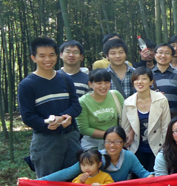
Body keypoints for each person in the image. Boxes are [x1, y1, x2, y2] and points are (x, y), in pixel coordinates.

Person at [18, 37, 82, 178]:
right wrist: (48, 124)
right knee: (48, 183)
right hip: (46, 141)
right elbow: (28, 116)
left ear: (57, 56)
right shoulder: (27, 85)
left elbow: (76, 106)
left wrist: (64, 117)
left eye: (51, 55)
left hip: (71, 138)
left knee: (76, 181)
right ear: (33, 58)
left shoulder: (65, 79)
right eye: (42, 56)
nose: (48, 59)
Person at [121, 67, 171, 171]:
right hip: (136, 149)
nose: (139, 82)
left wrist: (164, 149)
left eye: (144, 78)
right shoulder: (128, 102)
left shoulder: (161, 100)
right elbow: (125, 127)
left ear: (151, 82)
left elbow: (166, 127)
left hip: (158, 148)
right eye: (136, 79)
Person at [77, 68, 125, 150]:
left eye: (106, 82)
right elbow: (84, 129)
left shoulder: (115, 95)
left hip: (116, 142)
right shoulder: (83, 101)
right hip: (93, 143)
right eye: (99, 83)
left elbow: (127, 117)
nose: (103, 86)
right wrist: (110, 135)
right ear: (90, 84)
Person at [152, 43, 177, 117]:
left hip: (173, 117)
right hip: (151, 117)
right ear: (155, 55)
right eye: (160, 52)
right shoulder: (146, 75)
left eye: (167, 53)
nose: (163, 55)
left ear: (172, 56)